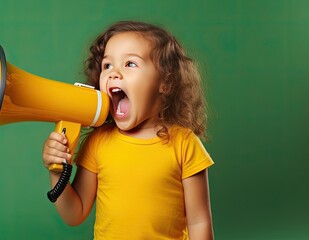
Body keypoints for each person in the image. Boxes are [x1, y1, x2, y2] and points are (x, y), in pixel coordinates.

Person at [42, 21, 215, 239]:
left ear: (166, 82)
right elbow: (74, 214)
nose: (114, 74)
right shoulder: (97, 143)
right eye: (107, 66)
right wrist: (57, 171)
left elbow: (199, 221)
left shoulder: (184, 144)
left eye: (130, 64)